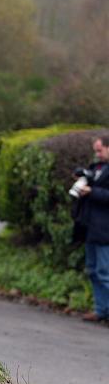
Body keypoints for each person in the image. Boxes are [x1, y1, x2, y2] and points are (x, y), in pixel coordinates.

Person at [74, 133, 109, 322]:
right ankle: (101, 310)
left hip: (105, 230)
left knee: (105, 273)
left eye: (100, 150)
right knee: (93, 270)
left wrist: (92, 191)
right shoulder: (95, 168)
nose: (97, 154)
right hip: (90, 228)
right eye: (95, 151)